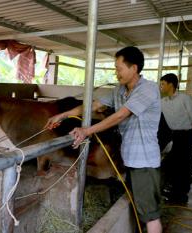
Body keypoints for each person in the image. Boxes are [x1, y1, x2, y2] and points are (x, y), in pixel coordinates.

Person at [45, 46, 162, 233]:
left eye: (119, 68)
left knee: (150, 214)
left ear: (134, 68)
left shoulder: (148, 89)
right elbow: (93, 105)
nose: (116, 73)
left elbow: (120, 116)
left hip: (145, 162)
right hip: (131, 159)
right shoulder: (119, 91)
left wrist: (87, 130)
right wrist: (63, 115)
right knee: (139, 208)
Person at [160, 73, 192, 203]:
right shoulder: (163, 102)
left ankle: (181, 196)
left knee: (185, 165)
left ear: (171, 85)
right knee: (174, 163)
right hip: (176, 135)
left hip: (187, 135)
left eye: (162, 84)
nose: (160, 87)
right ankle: (175, 192)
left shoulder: (185, 98)